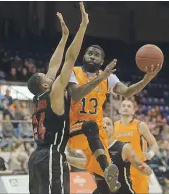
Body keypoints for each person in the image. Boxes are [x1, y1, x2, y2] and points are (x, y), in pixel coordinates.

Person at [67, 41, 161, 193]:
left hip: (97, 134)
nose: (92, 57)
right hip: (76, 127)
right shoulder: (73, 72)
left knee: (105, 175)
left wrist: (146, 79)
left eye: (96, 55)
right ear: (84, 56)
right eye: (89, 53)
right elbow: (76, 95)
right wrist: (101, 77)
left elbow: (128, 92)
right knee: (92, 134)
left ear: (102, 61)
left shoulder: (109, 78)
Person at [27, 3, 89, 194]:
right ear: (45, 84)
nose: (49, 75)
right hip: (52, 156)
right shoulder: (54, 92)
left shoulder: (38, 99)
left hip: (36, 157)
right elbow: (70, 59)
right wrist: (83, 26)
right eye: (45, 76)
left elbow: (54, 65)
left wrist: (63, 38)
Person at [113, 99, 159, 194]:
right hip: (121, 173)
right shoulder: (113, 126)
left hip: (138, 170)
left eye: (129, 106)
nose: (126, 107)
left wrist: (150, 154)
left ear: (133, 111)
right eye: (124, 106)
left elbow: (154, 144)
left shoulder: (140, 125)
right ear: (119, 110)